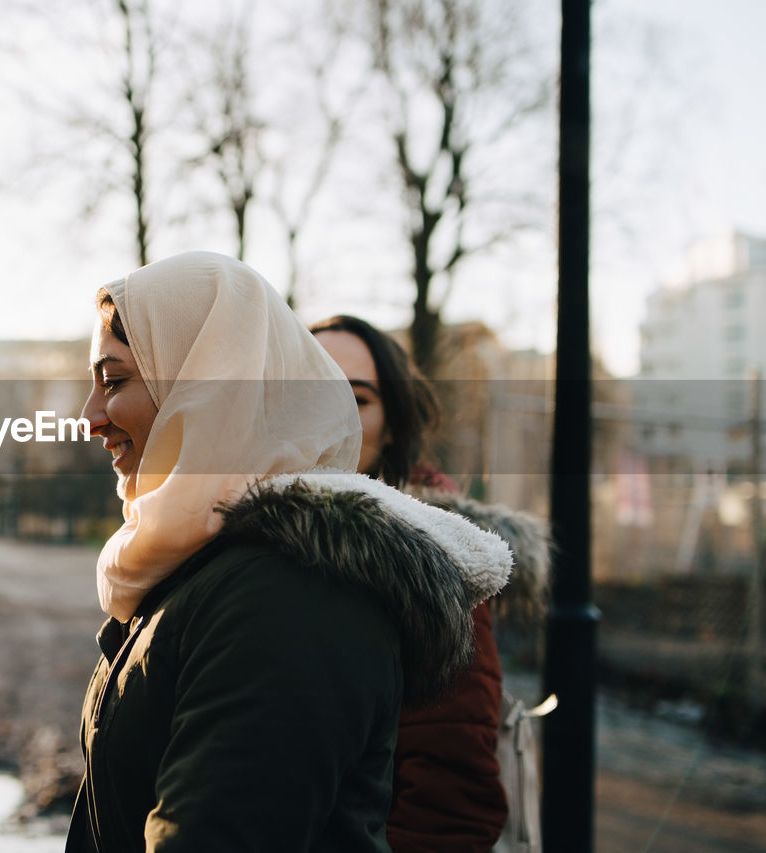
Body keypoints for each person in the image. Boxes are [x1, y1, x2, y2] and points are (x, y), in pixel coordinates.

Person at [65, 252, 513, 853]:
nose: (89, 418)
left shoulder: (293, 591)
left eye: (114, 380)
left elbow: (447, 801)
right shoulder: (202, 561)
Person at [310, 314, 549, 853]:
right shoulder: (243, 538)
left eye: (358, 398)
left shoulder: (434, 558)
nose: (332, 417)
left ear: (393, 424)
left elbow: (451, 802)